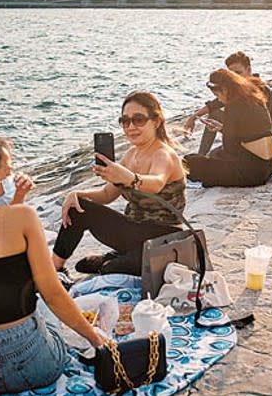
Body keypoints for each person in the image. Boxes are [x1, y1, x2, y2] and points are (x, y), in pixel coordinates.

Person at [0, 135, 105, 396]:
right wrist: (97, 340)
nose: (13, 177)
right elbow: (52, 291)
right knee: (45, 304)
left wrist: (17, 197)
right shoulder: (24, 217)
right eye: (8, 172)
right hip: (35, 366)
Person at [52, 91, 186, 276]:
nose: (131, 127)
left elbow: (156, 182)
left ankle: (111, 260)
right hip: (133, 231)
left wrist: (130, 177)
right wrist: (77, 194)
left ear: (156, 121)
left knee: (112, 269)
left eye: (138, 119)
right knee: (77, 207)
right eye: (125, 121)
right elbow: (107, 195)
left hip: (161, 237)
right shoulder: (131, 154)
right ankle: (55, 269)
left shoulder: (163, 154)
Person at [184, 69, 272, 187]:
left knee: (191, 161)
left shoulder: (233, 107)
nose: (219, 100)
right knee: (215, 154)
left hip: (252, 174)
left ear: (225, 90)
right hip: (270, 167)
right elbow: (249, 134)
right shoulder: (253, 97)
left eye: (217, 95)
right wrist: (222, 128)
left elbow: (230, 148)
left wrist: (224, 132)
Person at [183, 51, 272, 155]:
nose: (234, 79)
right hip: (248, 135)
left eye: (238, 73)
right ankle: (202, 154)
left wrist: (224, 129)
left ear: (248, 70)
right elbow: (216, 103)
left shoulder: (258, 90)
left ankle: (203, 156)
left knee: (213, 155)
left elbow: (256, 127)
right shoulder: (239, 89)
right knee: (215, 115)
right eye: (231, 75)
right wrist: (193, 117)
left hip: (267, 142)